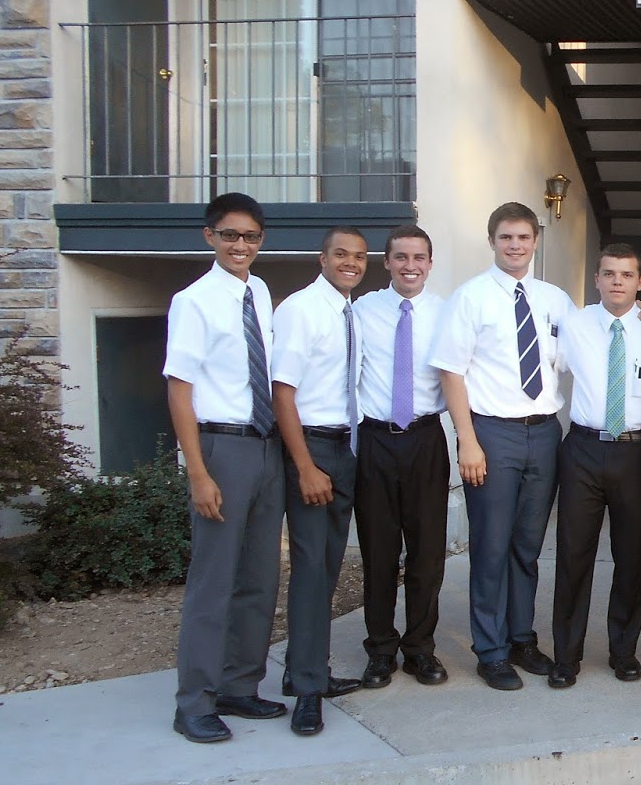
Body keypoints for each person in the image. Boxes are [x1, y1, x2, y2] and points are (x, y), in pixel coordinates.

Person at [431, 202, 573, 691]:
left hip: (544, 431)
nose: (515, 245)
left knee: (527, 546)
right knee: (491, 546)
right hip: (492, 433)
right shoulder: (470, 298)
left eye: (523, 237)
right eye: (506, 237)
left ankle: (520, 638)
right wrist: (467, 440)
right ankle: (490, 650)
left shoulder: (555, 300)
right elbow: (451, 372)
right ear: (492, 241)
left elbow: (587, 347)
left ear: (535, 241)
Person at [163, 193, 287, 743]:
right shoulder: (193, 301)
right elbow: (179, 390)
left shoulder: (259, 292)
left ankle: (239, 685)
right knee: (213, 581)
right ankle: (194, 701)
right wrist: (197, 472)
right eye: (231, 235)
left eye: (251, 236)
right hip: (221, 447)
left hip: (266, 446)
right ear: (209, 236)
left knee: (260, 577)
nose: (241, 245)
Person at [550, 244, 641, 688]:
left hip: (636, 453)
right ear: (596, 279)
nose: (618, 281)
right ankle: (566, 655)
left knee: (631, 556)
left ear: (640, 282)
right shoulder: (573, 325)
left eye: (627, 275)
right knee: (573, 556)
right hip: (583, 449)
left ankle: (623, 651)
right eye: (609, 274)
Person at [271, 225, 368, 735]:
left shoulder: (350, 312)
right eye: (341, 254)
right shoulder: (301, 310)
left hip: (346, 446)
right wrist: (305, 465)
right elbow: (282, 392)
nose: (351, 263)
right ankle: (308, 691)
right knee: (311, 568)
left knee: (328, 566)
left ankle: (304, 669)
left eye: (359, 256)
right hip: (313, 447)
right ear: (322, 258)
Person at [353, 224, 450, 690]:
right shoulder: (361, 310)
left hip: (426, 440)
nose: (410, 266)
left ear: (430, 263)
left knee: (428, 553)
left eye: (419, 258)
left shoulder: (448, 313)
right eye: (401, 257)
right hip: (375, 440)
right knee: (379, 551)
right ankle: (380, 650)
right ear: (387, 262)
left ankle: (419, 649)